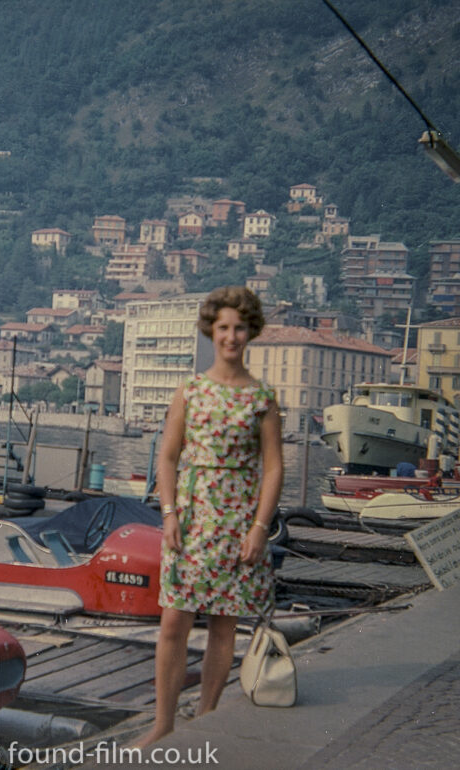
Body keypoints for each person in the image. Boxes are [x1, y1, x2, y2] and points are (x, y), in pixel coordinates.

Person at [138, 285, 283, 747]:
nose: (232, 337)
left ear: (250, 332)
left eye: (240, 328)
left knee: (225, 625)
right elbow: (167, 457)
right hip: (193, 520)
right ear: (211, 331)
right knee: (173, 623)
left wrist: (260, 528)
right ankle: (163, 724)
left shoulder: (262, 397)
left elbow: (275, 467)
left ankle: (206, 720)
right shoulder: (191, 390)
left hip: (239, 525)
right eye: (224, 328)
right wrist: (169, 514)